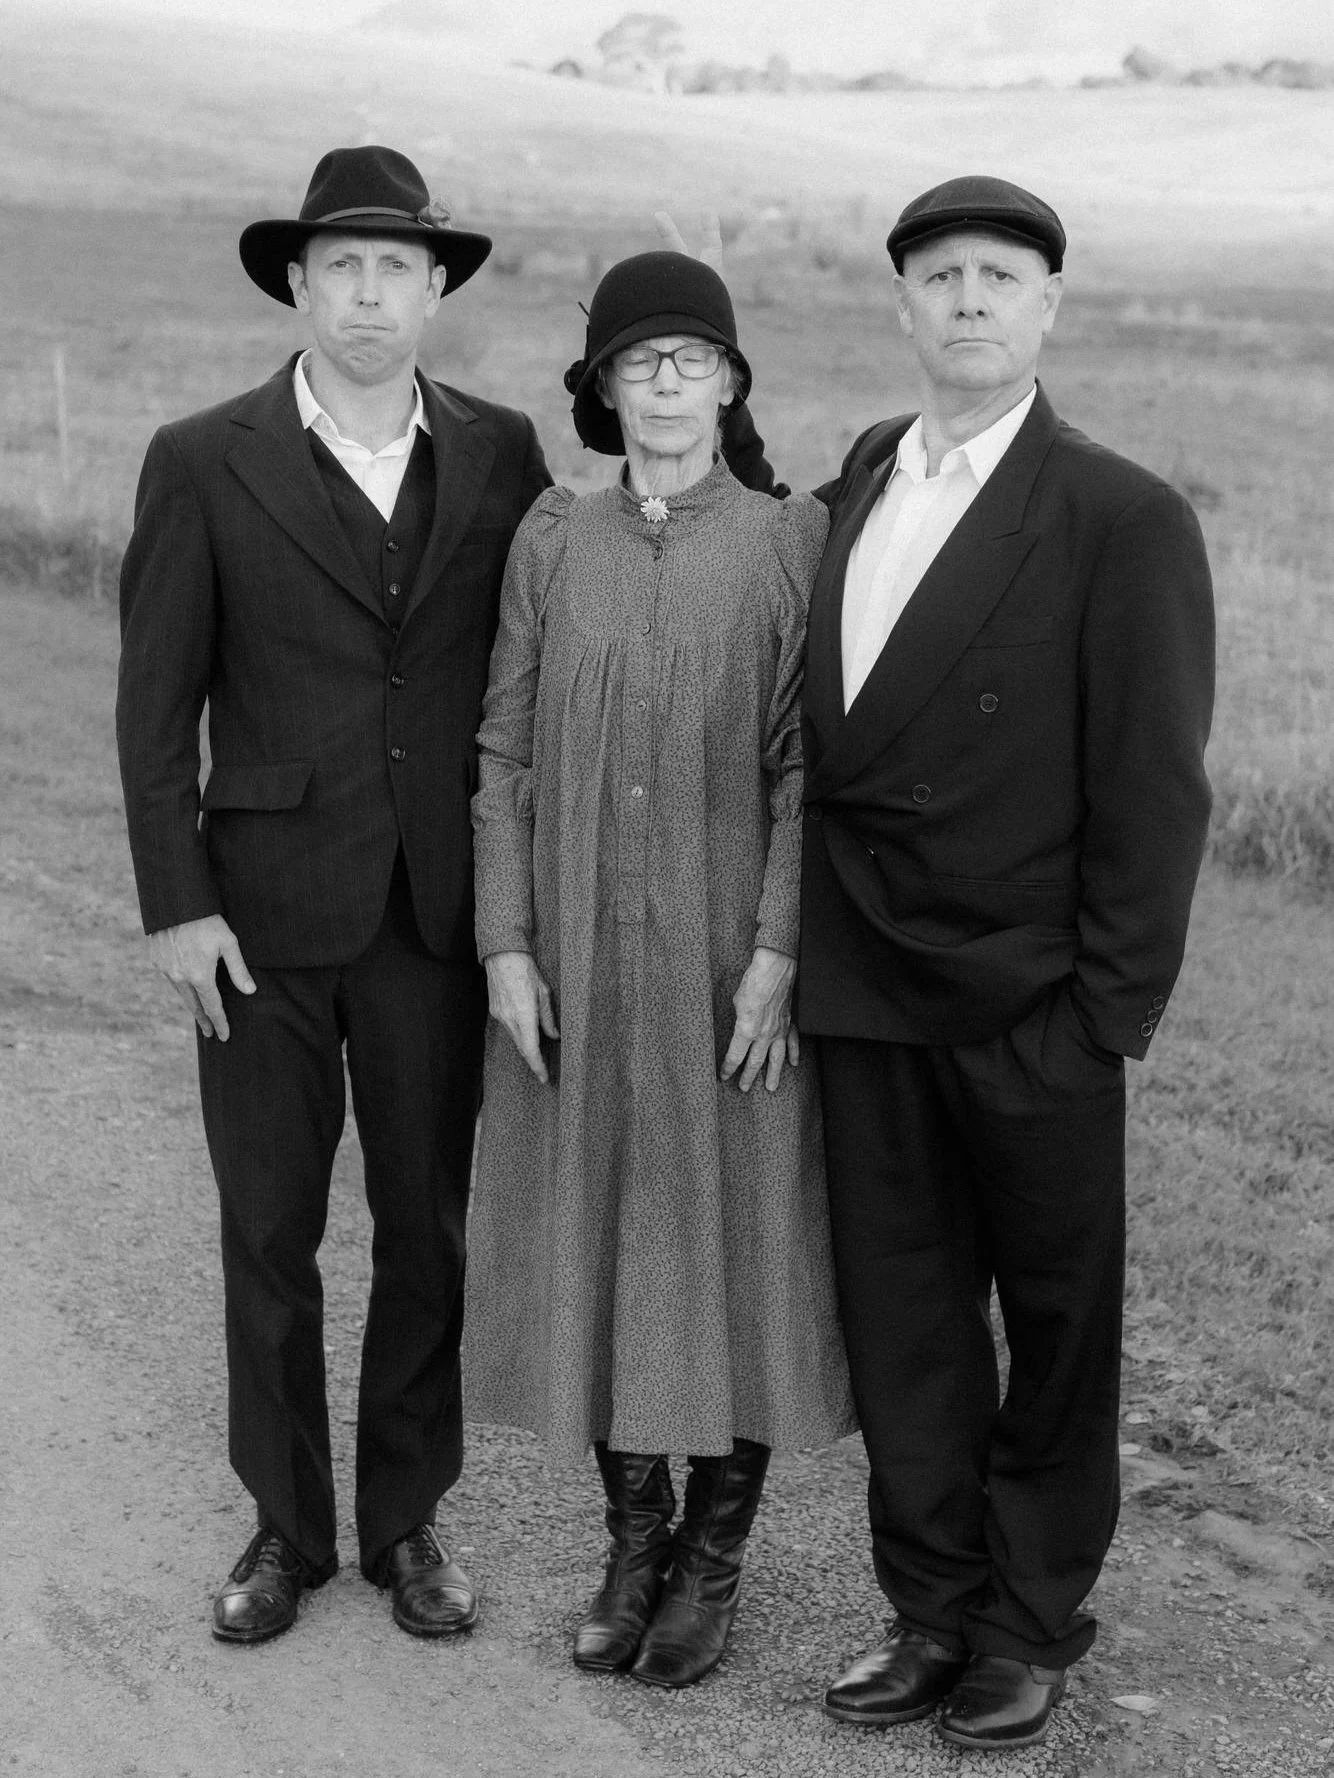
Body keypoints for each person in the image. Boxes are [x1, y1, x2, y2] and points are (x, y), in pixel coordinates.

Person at [796, 177, 1215, 1749]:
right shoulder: (858, 476)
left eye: (999, 275)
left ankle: (1028, 1619)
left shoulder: (1120, 515)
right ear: (901, 307)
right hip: (865, 988)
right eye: (938, 275)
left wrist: (1104, 1009)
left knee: (1051, 1329)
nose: (967, 299)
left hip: (1033, 1002)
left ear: (1047, 308)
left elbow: (1154, 785)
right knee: (900, 1319)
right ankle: (926, 1608)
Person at [115, 145, 553, 1644]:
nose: (368, 295)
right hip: (257, 917)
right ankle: (286, 1527)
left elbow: (529, 674)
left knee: (429, 1226)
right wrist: (177, 902)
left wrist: (517, 910)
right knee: (268, 1227)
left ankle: (409, 1520)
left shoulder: (503, 455)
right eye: (341, 267)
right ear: (296, 283)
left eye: (396, 269)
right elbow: (152, 703)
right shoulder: (199, 455)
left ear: (436, 291)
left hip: (436, 918)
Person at [464, 251, 855, 1690]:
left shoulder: (785, 537)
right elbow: (497, 752)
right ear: (606, 388)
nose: (670, 381)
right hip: (573, 947)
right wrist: (505, 939)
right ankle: (630, 1543)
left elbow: (812, 765)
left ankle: (714, 1557)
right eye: (643, 360)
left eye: (694, 357)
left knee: (737, 1228)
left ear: (733, 380)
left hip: (725, 957)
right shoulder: (549, 540)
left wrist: (777, 951)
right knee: (603, 1230)